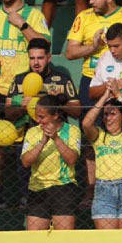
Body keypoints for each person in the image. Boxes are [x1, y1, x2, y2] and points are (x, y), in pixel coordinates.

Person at [82, 83, 122, 229]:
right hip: (103, 190)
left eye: (113, 113)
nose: (108, 118)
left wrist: (119, 95)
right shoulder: (99, 136)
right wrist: (104, 97)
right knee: (106, 241)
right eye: (105, 114)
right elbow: (86, 123)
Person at [21, 95, 80, 230]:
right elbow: (25, 162)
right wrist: (42, 142)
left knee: (63, 239)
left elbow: (72, 159)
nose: (38, 120)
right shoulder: (32, 132)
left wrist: (55, 138)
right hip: (37, 188)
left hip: (63, 187)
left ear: (55, 115)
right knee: (35, 240)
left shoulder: (72, 131)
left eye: (42, 117)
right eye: (37, 116)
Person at [7, 38, 80, 119]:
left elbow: (77, 112)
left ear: (49, 58)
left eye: (40, 58)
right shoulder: (19, 80)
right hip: (27, 130)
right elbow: (8, 113)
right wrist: (23, 107)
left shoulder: (63, 80)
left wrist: (56, 102)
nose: (36, 63)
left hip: (54, 129)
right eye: (32, 58)